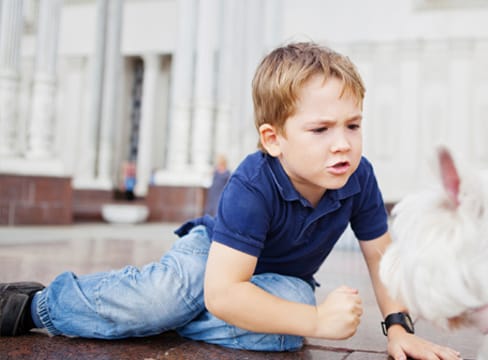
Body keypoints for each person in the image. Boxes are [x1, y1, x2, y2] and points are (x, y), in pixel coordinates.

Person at [0, 42, 461, 360]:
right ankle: (36, 305)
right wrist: (319, 321)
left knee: (287, 325)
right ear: (273, 139)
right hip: (211, 259)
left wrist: (398, 326)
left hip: (275, 280)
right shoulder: (253, 182)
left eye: (353, 125)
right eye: (321, 129)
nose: (342, 143)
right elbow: (222, 288)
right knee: (166, 296)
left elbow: (382, 257)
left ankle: (166, 318)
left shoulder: (358, 178)